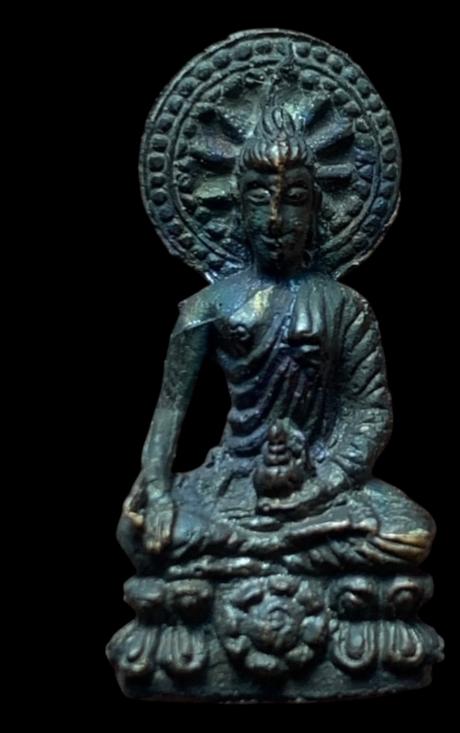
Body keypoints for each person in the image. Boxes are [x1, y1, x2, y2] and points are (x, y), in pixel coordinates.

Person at [118, 106, 434, 576]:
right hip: (234, 478)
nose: (274, 217)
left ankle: (244, 555)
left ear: (315, 208)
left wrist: (325, 484)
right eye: (259, 197)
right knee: (139, 530)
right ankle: (284, 550)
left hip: (319, 483)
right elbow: (169, 410)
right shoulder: (207, 306)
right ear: (237, 205)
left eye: (294, 199)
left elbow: (369, 411)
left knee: (410, 534)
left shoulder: (346, 307)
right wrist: (160, 493)